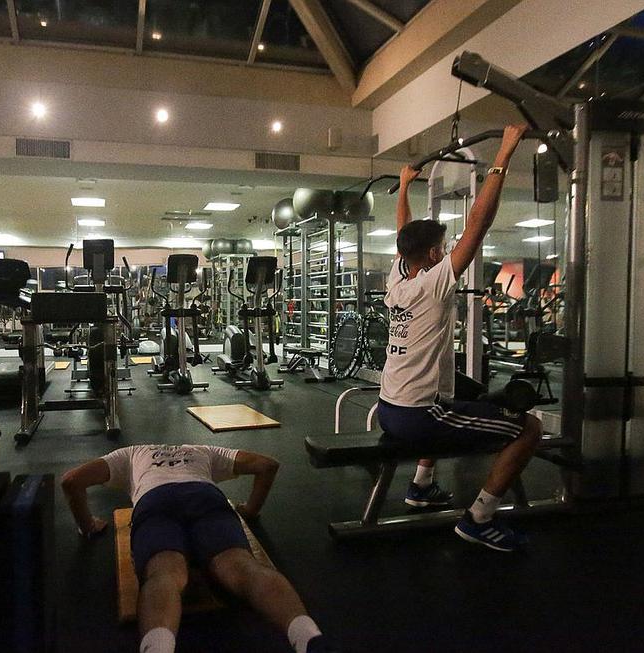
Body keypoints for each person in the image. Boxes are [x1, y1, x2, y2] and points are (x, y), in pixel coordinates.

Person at [378, 124, 543, 552]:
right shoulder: (434, 282)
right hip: (418, 417)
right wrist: (504, 153)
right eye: (445, 245)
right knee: (529, 428)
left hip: (390, 408)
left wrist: (404, 186)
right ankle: (479, 518)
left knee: (454, 393)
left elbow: (405, 232)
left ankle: (421, 485)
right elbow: (479, 224)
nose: (450, 247)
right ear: (435, 255)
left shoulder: (398, 279)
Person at [61, 444, 338, 653]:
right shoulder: (202, 450)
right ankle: (309, 639)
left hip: (155, 502)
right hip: (205, 496)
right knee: (243, 568)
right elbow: (267, 465)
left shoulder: (131, 453)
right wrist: (250, 510)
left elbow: (71, 481)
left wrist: (88, 526)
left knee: (164, 573)